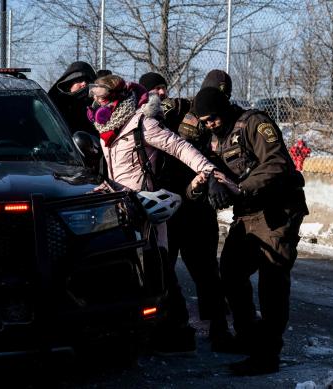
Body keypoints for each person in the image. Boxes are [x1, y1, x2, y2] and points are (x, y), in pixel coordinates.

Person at [88, 74, 229, 355]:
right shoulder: (105, 127)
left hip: (153, 207)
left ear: (117, 98)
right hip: (122, 208)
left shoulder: (144, 123)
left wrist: (209, 173)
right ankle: (149, 330)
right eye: (95, 97)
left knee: (163, 267)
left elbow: (180, 147)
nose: (97, 102)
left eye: (102, 97)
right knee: (134, 272)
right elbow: (112, 166)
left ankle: (184, 331)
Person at [190, 87, 309, 375]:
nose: (209, 125)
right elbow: (211, 169)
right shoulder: (216, 138)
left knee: (272, 282)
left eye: (212, 119)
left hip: (277, 212)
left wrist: (240, 188)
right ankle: (249, 338)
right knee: (230, 273)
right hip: (247, 214)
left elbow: (277, 163)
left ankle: (267, 354)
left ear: (224, 108)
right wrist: (206, 185)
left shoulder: (255, 123)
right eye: (204, 122)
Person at [138, 71, 234, 351]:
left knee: (205, 270)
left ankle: (217, 328)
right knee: (163, 271)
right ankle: (172, 328)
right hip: (167, 201)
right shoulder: (175, 110)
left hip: (196, 205)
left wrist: (215, 180)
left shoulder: (221, 120)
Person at [48, 61, 97, 136]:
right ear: (68, 85)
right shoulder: (56, 104)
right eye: (79, 81)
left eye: (87, 81)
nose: (84, 83)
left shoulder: (96, 103)